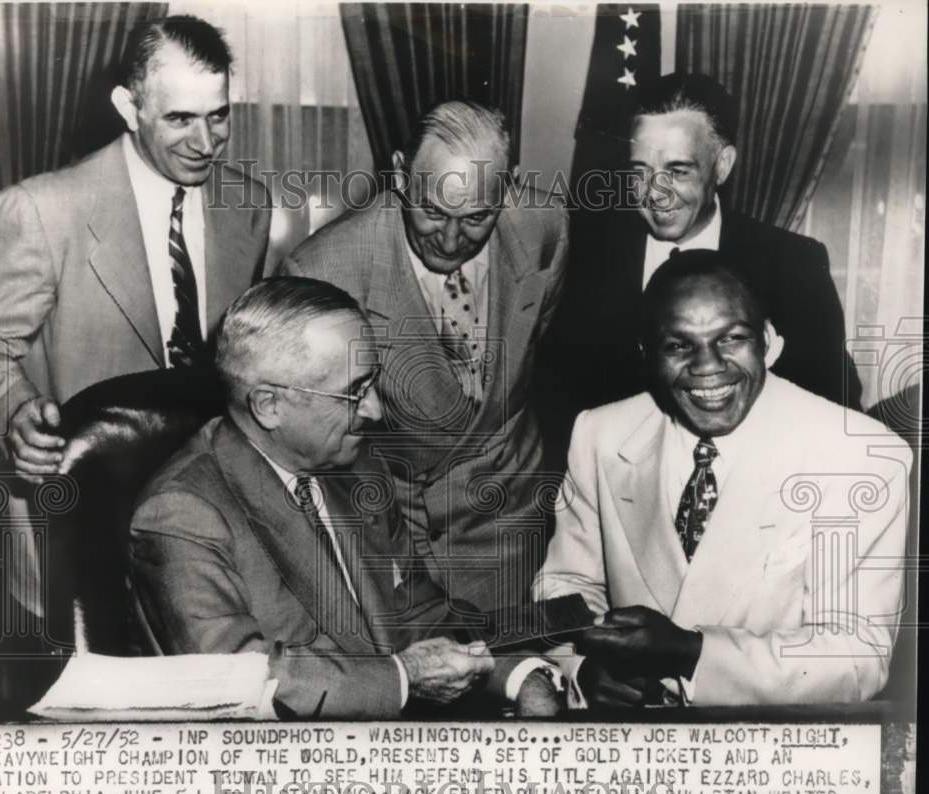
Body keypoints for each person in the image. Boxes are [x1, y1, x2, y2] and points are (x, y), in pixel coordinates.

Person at [0, 15, 271, 619]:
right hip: (74, 528)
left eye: (219, 114)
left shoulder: (248, 205)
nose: (206, 142)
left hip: (206, 535)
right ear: (128, 105)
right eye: (179, 119)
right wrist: (13, 411)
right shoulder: (43, 209)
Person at [129, 277, 564, 719]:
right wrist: (402, 677)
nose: (375, 409)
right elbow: (235, 680)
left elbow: (419, 615)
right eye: (354, 391)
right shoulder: (182, 513)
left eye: (373, 382)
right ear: (268, 406)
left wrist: (517, 673)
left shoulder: (357, 471)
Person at [534, 250, 909, 706]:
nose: (707, 366)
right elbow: (564, 587)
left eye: (731, 338)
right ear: (646, 354)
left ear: (769, 341)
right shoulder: (599, 433)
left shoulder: (859, 455)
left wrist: (691, 653)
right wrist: (585, 669)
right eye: (678, 345)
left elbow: (856, 660)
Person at [281, 100, 569, 613]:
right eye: (432, 210)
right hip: (406, 541)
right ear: (398, 174)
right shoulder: (323, 270)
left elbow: (535, 355)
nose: (452, 239)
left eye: (477, 216)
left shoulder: (545, 224)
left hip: (519, 525)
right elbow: (314, 442)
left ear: (510, 186)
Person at [544, 73, 861, 461]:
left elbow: (833, 407)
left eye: (678, 171)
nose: (655, 193)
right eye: (640, 171)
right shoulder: (585, 257)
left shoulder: (793, 266)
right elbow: (556, 402)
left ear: (722, 165)